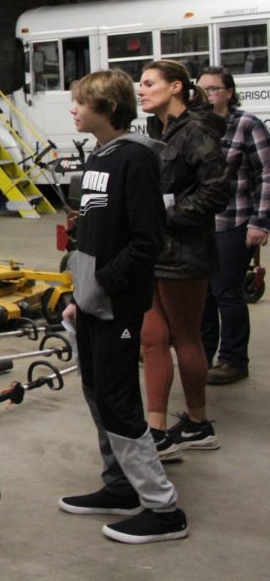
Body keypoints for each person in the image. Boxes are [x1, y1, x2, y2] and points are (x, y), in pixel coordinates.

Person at [58, 69, 189, 544]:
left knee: (119, 401)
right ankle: (120, 487)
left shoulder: (134, 160)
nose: (73, 109)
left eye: (81, 103)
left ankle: (163, 508)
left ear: (108, 109)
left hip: (116, 305)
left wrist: (102, 287)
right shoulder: (101, 155)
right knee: (98, 392)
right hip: (93, 302)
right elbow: (93, 235)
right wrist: (80, 295)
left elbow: (145, 241)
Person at [137, 60, 228, 460]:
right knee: (151, 338)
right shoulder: (158, 130)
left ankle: (198, 422)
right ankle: (156, 429)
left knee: (185, 336)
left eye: (148, 83)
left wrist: (165, 217)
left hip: (185, 253)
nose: (140, 90)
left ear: (176, 87)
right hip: (155, 250)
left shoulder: (196, 131)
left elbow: (215, 192)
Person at [196, 66, 270, 385]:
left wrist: (260, 222)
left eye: (213, 89)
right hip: (199, 224)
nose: (207, 95)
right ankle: (203, 355)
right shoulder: (196, 126)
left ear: (228, 92)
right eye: (202, 89)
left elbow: (267, 175)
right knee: (203, 295)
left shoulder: (247, 125)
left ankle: (234, 360)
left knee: (227, 292)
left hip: (234, 220)